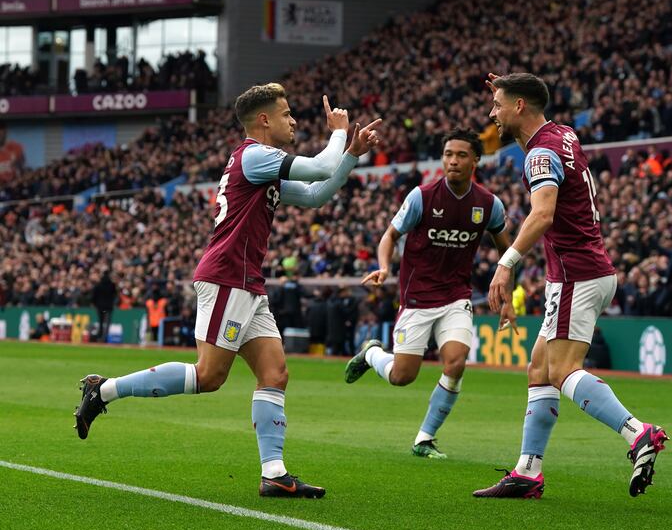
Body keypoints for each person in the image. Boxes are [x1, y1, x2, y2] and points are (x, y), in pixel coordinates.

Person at [74, 83, 381, 499]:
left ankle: (274, 474)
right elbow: (319, 168)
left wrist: (349, 158)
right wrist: (340, 133)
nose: (294, 121)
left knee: (275, 373)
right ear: (264, 120)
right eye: (287, 113)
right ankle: (103, 390)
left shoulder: (261, 165)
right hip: (226, 278)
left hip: (247, 281)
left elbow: (314, 197)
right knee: (209, 376)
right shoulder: (254, 156)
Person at [472, 73, 668, 500]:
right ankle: (527, 472)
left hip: (576, 272)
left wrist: (504, 264)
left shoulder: (540, 154)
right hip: (586, 269)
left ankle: (638, 433)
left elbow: (542, 215)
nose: (492, 113)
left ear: (520, 106)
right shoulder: (562, 135)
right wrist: (506, 83)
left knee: (561, 372)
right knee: (539, 369)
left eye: (499, 104)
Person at [345, 128, 511, 459]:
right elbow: (390, 236)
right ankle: (372, 354)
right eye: (448, 154)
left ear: (476, 160)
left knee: (456, 363)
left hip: (455, 297)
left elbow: (509, 252)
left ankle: (425, 438)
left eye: (461, 155)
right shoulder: (422, 197)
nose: (453, 161)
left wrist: (507, 297)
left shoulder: (489, 205)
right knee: (402, 377)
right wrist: (384, 267)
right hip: (417, 298)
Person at [92, 270, 116, 343]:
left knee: (101, 322)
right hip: (108, 307)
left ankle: (99, 337)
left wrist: (95, 304)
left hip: (100, 307)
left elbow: (94, 296)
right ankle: (105, 337)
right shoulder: (112, 285)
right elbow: (114, 295)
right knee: (107, 322)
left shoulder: (99, 284)